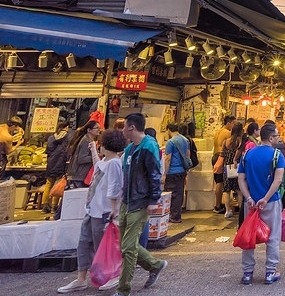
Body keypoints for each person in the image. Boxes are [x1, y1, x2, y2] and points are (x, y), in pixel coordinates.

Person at [56, 130, 126, 293]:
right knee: (84, 243)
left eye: (101, 143)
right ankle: (81, 279)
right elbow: (97, 167)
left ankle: (113, 275)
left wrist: (114, 209)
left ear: (106, 144)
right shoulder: (106, 161)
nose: (100, 145)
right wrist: (93, 150)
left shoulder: (114, 163)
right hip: (93, 209)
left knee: (103, 245)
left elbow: (115, 186)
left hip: (104, 211)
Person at [115, 113, 168, 296]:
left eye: (124, 127)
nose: (122, 130)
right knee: (125, 245)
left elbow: (154, 174)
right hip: (127, 201)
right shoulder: (130, 149)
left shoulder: (149, 146)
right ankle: (155, 265)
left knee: (129, 248)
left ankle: (123, 289)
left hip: (140, 202)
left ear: (132, 127)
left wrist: (153, 200)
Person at [237, 124, 285, 285]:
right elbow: (278, 180)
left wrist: (248, 197)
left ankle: (247, 272)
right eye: (277, 136)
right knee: (273, 237)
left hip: (250, 204)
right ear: (270, 138)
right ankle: (270, 272)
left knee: (249, 236)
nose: (278, 138)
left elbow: (241, 179)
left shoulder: (247, 154)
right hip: (270, 202)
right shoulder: (277, 155)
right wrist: (265, 198)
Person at [214, 122, 245, 218]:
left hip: (227, 167)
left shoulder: (226, 141)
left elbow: (222, 154)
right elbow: (242, 153)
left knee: (226, 190)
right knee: (239, 190)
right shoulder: (240, 141)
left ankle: (227, 211)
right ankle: (241, 210)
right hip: (238, 167)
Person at [162, 123, 191, 223]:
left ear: (168, 130)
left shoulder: (170, 142)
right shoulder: (185, 140)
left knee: (171, 194)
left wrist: (164, 174)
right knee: (179, 193)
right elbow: (188, 154)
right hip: (182, 170)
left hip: (172, 171)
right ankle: (177, 215)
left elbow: (168, 159)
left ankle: (173, 216)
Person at [43, 122, 72, 213]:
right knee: (58, 183)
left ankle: (45, 205)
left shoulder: (51, 137)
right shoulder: (67, 137)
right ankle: (54, 206)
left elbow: (47, 151)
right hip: (61, 162)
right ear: (66, 127)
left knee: (49, 184)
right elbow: (68, 150)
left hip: (51, 162)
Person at [212, 116, 236, 214]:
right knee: (221, 182)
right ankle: (218, 205)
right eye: (233, 123)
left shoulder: (218, 132)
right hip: (220, 157)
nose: (234, 125)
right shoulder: (227, 133)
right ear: (229, 123)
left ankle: (218, 204)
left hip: (215, 156)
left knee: (218, 181)